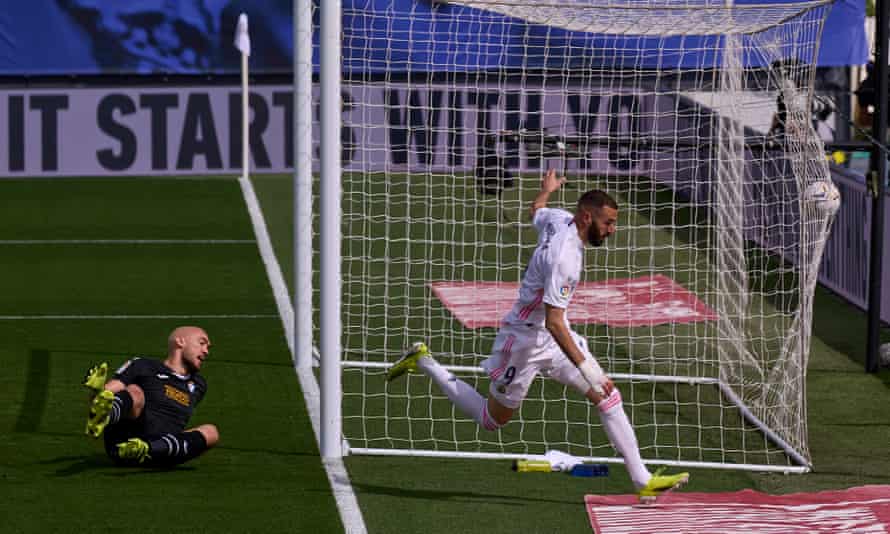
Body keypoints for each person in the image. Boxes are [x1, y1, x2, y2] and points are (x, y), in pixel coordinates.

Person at [386, 169, 689, 500]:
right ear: (587, 217)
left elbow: (536, 212)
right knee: (492, 420)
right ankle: (425, 360)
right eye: (608, 223)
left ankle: (642, 480)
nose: (612, 230)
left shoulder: (560, 218)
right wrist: (588, 369)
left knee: (607, 396)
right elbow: (555, 322)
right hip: (524, 342)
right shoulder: (565, 260)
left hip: (552, 339)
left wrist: (546, 191)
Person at [82, 326, 219, 467]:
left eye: (208, 347)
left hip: (161, 452)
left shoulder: (199, 385)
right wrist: (96, 391)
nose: (206, 351)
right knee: (135, 391)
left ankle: (148, 449)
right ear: (180, 342)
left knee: (211, 432)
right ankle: (106, 419)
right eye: (201, 343)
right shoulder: (143, 365)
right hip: (124, 445)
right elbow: (103, 399)